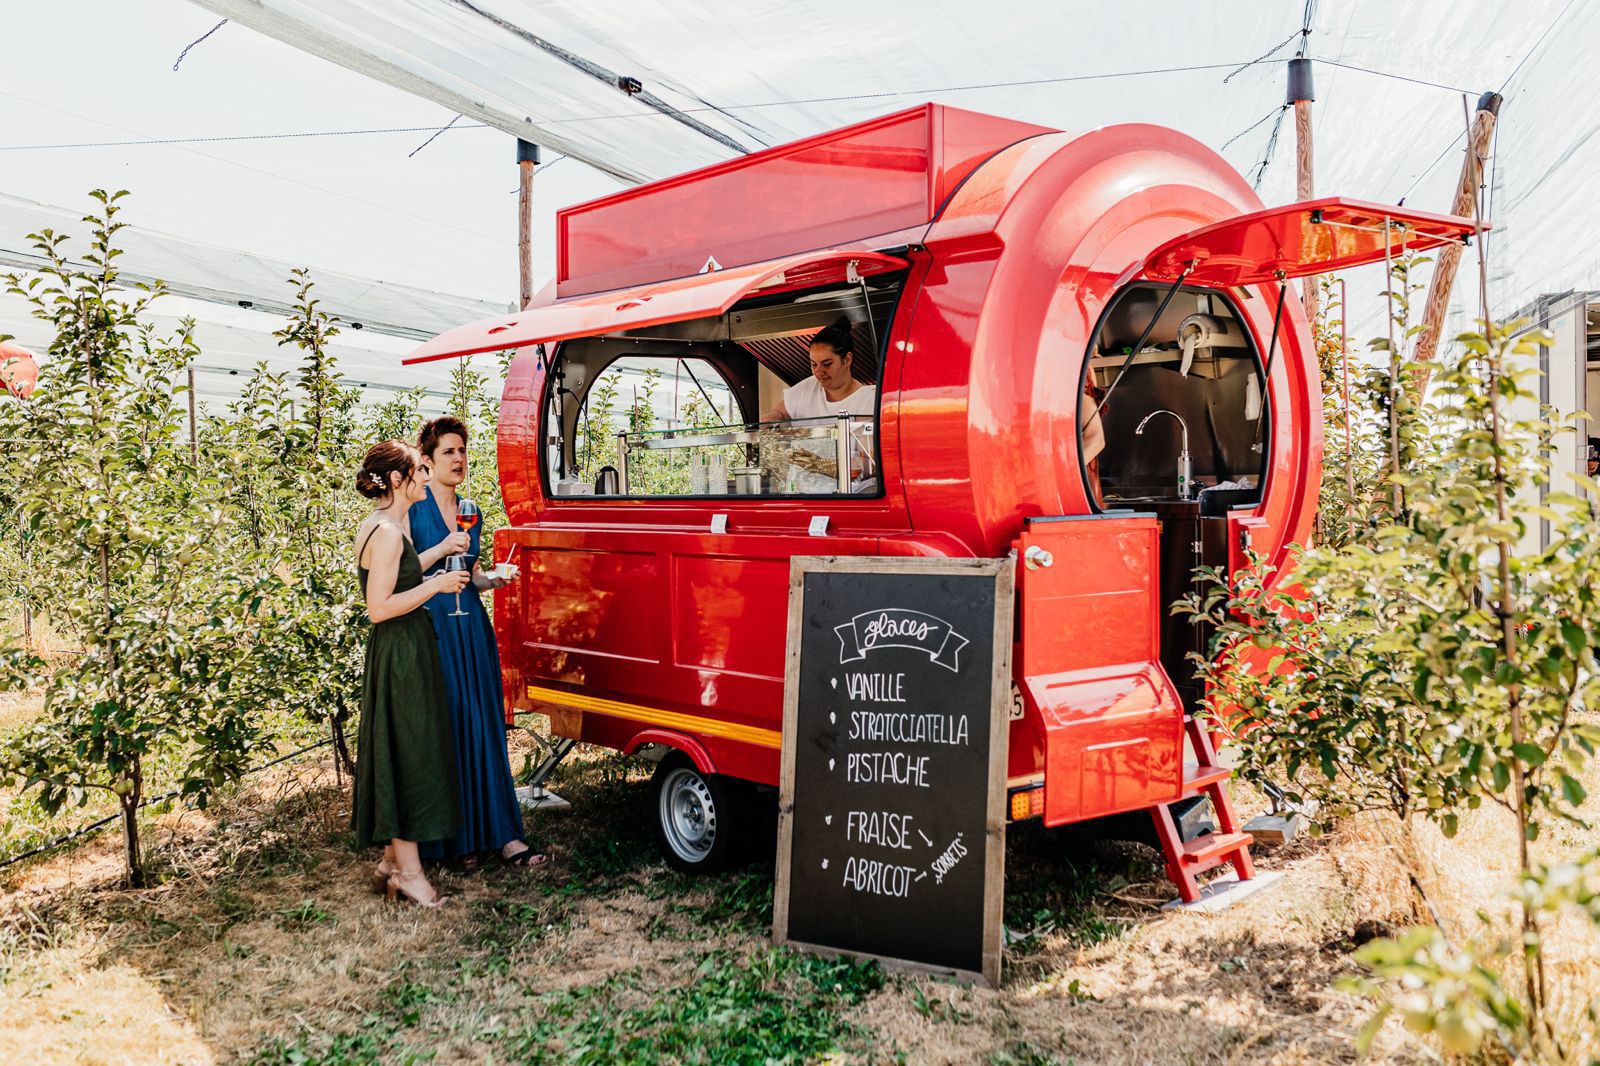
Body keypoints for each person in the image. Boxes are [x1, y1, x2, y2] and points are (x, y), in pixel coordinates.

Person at [411, 416, 549, 870]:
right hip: (434, 628)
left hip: (470, 624)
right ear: (427, 462)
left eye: (463, 451)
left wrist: (494, 579)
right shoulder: (413, 510)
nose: (458, 459)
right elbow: (406, 571)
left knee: (484, 725)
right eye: (448, 452)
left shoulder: (471, 508)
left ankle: (504, 836)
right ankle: (456, 840)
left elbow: (469, 576)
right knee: (450, 727)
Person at [352, 440, 470, 908]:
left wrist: (437, 555)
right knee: (407, 755)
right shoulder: (386, 532)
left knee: (399, 748)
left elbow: (398, 575)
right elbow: (379, 608)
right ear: (399, 480)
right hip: (399, 651)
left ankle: (388, 863)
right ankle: (411, 874)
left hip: (404, 649)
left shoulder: (384, 524)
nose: (426, 477)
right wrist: (438, 585)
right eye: (419, 471)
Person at [760, 316, 876, 422]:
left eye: (827, 364)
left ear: (847, 359)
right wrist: (773, 417)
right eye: (814, 364)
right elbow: (779, 412)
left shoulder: (867, 402)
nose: (818, 372)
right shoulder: (807, 388)